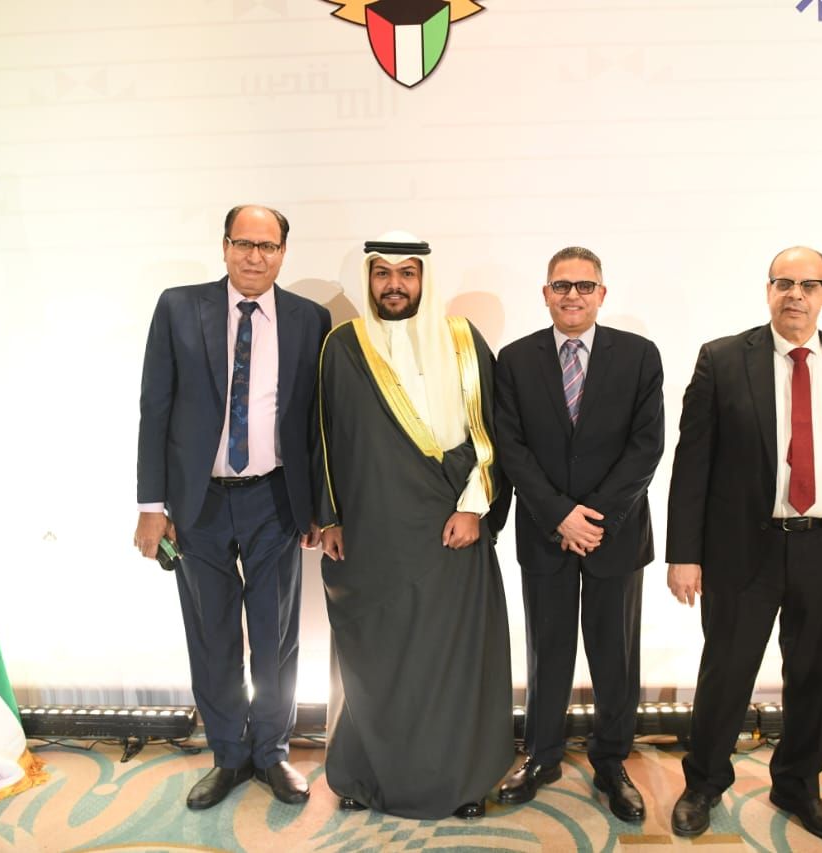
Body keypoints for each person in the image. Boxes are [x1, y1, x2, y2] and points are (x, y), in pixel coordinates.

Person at [665, 246, 822, 842]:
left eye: (808, 284)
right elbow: (692, 465)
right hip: (744, 550)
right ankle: (704, 783)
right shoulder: (722, 359)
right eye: (784, 282)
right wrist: (684, 554)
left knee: (816, 677)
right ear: (768, 290)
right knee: (726, 672)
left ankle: (798, 785)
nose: (795, 294)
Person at [135, 205, 331, 811]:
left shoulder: (309, 319)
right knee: (212, 634)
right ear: (224, 246)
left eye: (267, 246)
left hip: (276, 499)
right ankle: (228, 753)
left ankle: (271, 751)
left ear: (283, 254)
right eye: (243, 243)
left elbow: (318, 423)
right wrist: (151, 504)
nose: (254, 256)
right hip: (199, 503)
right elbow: (154, 407)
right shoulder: (178, 307)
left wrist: (319, 507)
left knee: (275, 636)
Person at [317, 232, 513, 820]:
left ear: (425, 278)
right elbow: (321, 435)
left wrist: (474, 507)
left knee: (450, 662)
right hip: (371, 533)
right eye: (382, 273)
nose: (395, 284)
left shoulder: (462, 340)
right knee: (374, 663)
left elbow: (494, 432)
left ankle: (461, 782)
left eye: (407, 273)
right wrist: (329, 516)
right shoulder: (342, 345)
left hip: (450, 529)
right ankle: (365, 778)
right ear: (368, 279)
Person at [492, 246, 664, 823]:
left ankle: (612, 761)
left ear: (601, 294)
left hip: (616, 533)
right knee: (548, 650)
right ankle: (541, 755)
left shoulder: (639, 356)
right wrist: (559, 515)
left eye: (584, 286)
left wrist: (594, 519)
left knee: (615, 655)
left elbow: (647, 447)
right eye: (561, 285)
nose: (572, 295)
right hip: (546, 532)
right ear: (545, 294)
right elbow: (511, 447)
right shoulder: (515, 360)